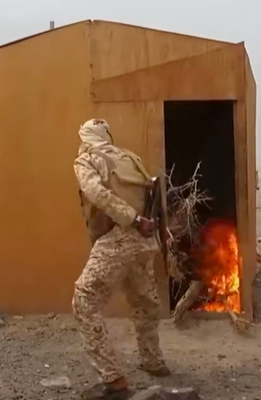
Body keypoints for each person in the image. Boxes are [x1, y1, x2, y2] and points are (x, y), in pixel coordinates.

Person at [72, 119, 170, 399]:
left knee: (84, 301)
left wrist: (132, 219)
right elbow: (154, 192)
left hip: (118, 237)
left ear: (85, 138)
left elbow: (96, 193)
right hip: (144, 240)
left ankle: (113, 379)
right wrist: (152, 227)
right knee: (144, 302)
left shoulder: (86, 160)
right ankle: (153, 361)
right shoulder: (130, 158)